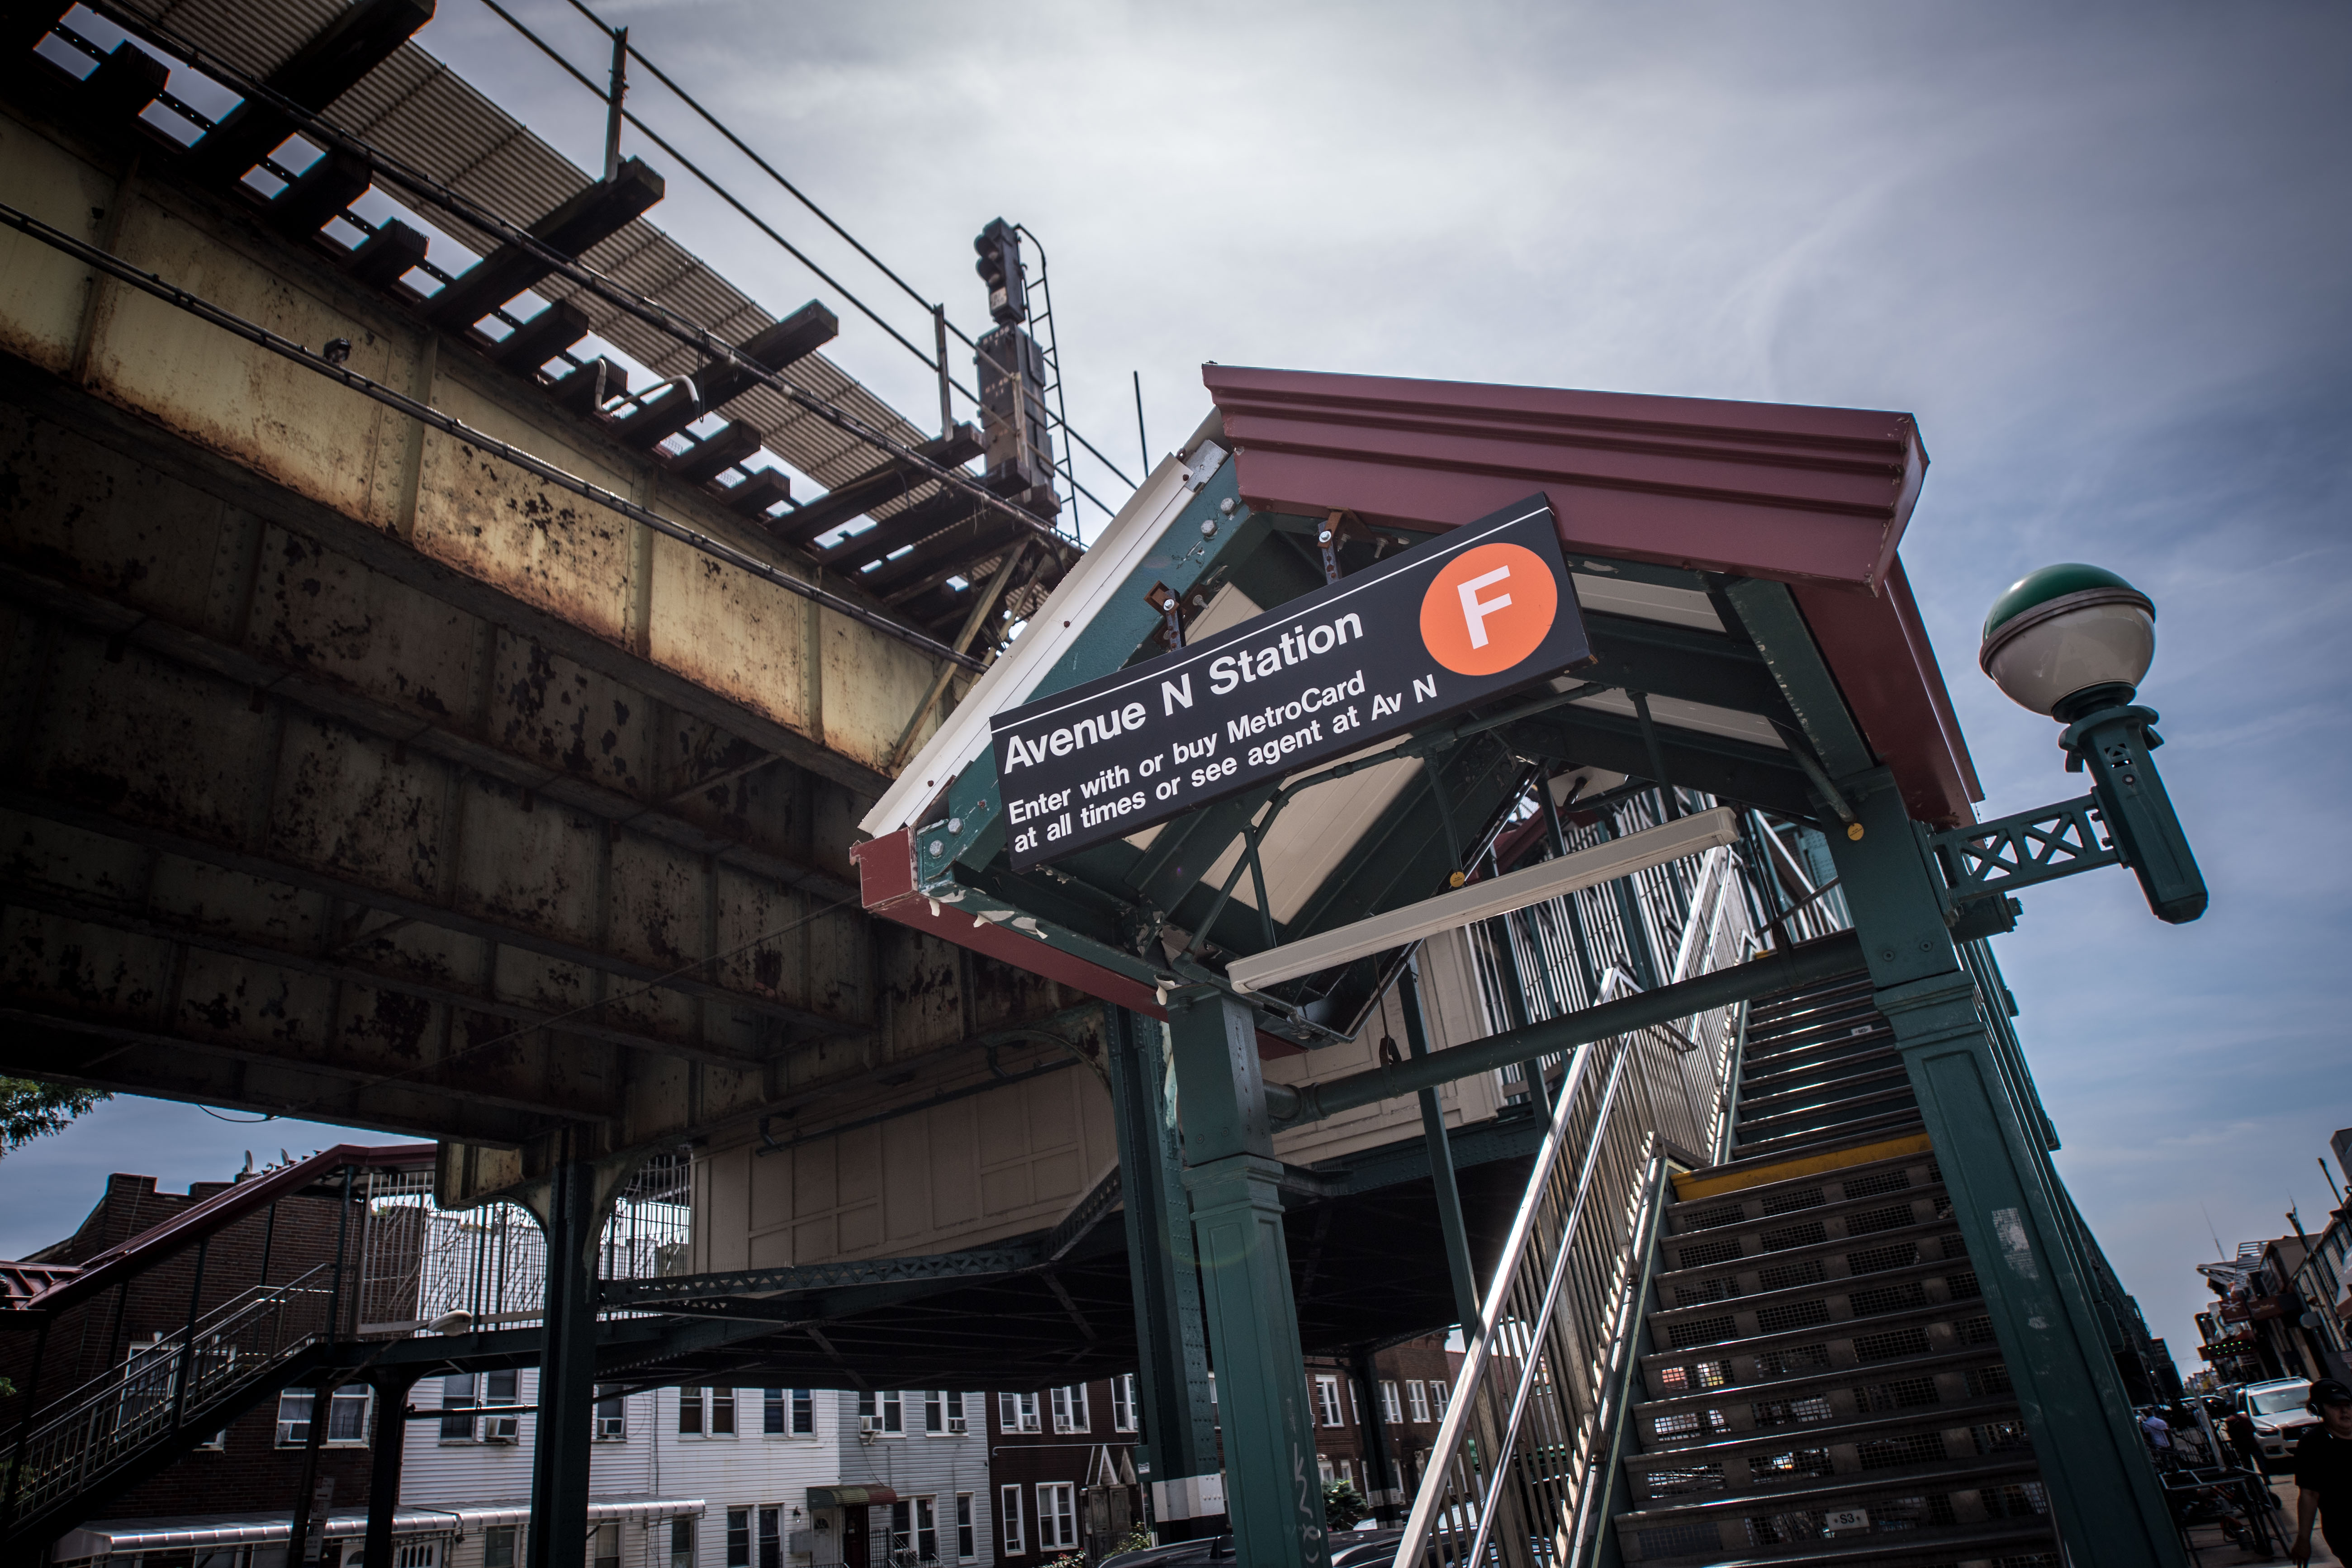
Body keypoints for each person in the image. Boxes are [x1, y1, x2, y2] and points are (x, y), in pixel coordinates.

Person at [2291, 1379, 2352, 1567]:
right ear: (2319, 1410)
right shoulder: (2313, 1444)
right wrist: (2303, 1539)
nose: (2344, 1411)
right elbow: (2309, 1494)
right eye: (2335, 1406)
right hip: (2346, 1533)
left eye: (2348, 1406)